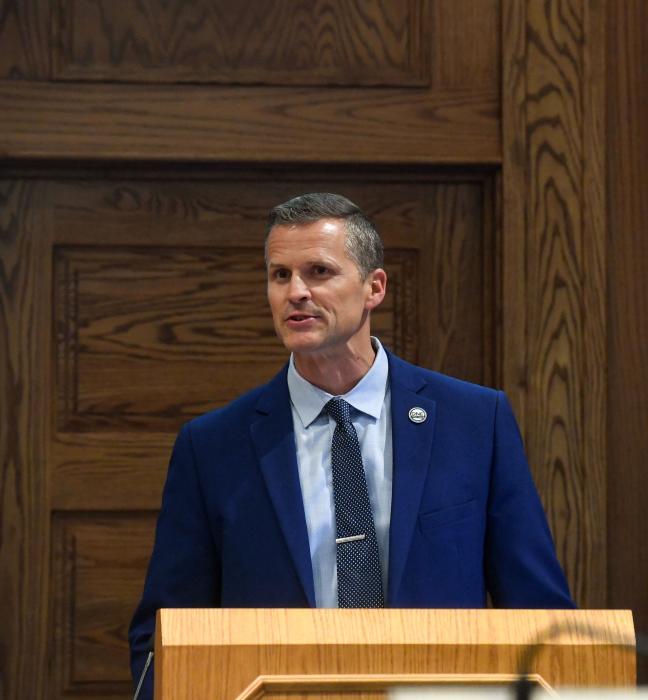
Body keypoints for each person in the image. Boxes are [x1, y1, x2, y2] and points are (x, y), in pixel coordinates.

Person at [128, 192, 574, 696]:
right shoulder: (212, 446)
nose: (296, 292)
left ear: (374, 287)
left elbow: (543, 619)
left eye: (318, 272)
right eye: (280, 276)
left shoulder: (474, 423)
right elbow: (162, 637)